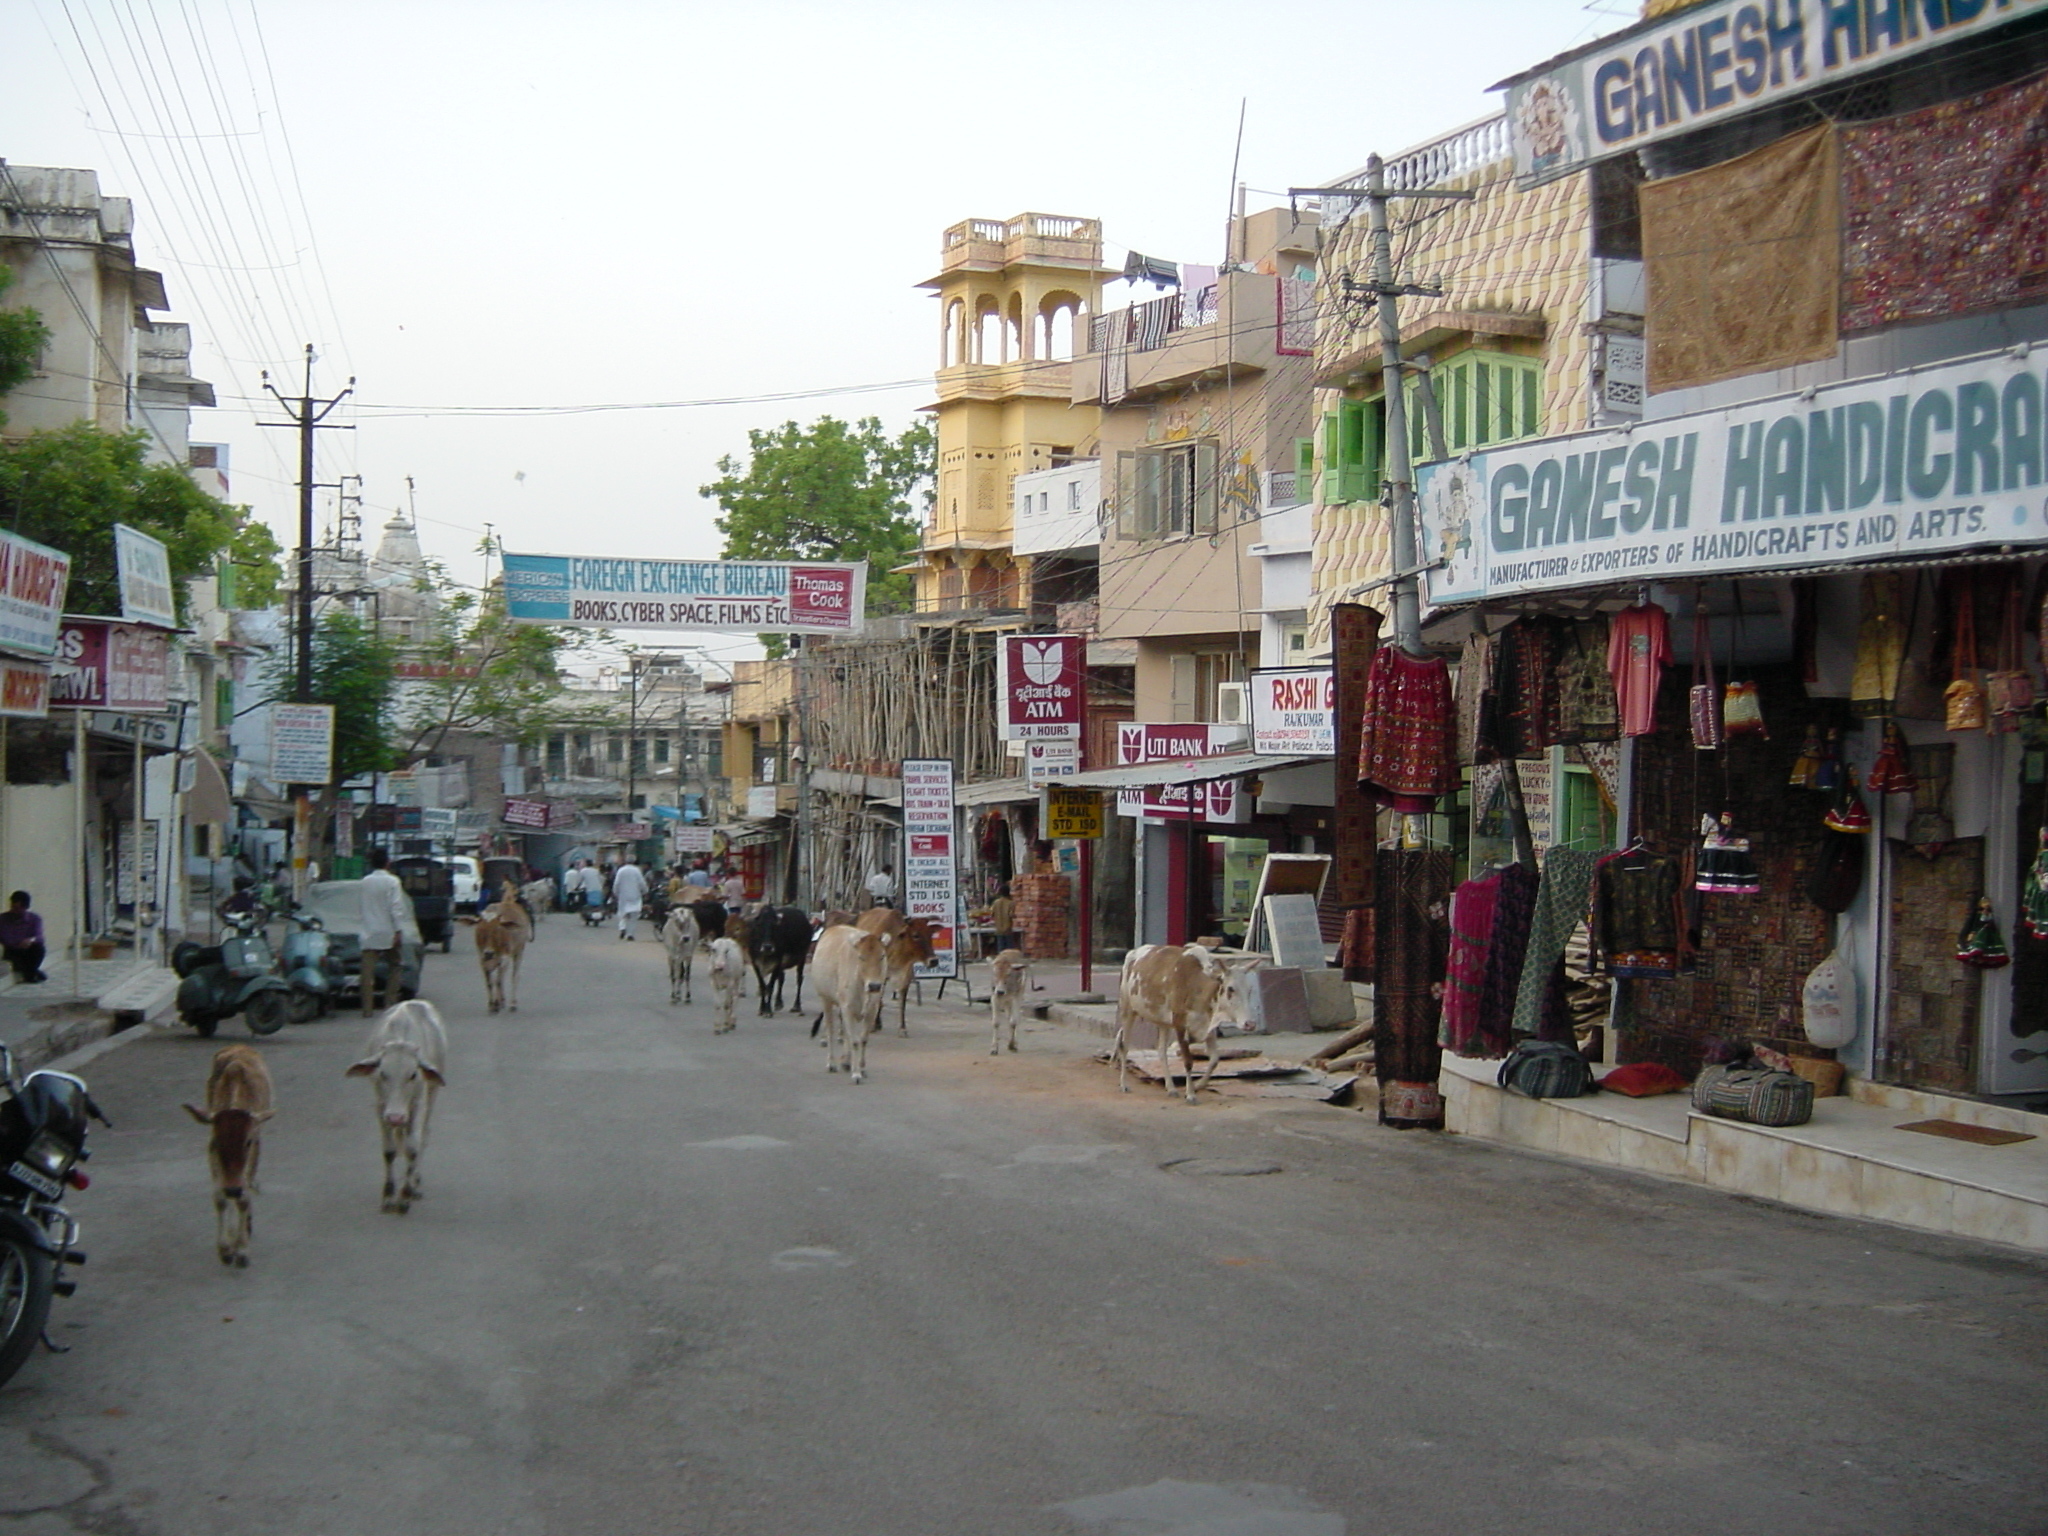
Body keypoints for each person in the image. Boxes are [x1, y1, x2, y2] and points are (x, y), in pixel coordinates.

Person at [358, 848, 420, 1016]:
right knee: (395, 965)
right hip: (388, 932)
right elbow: (396, 908)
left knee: (366, 973)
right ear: (387, 863)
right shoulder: (393, 882)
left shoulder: (365, 882)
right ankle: (389, 1003)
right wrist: (399, 930)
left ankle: (367, 1008)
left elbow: (362, 907)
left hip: (369, 933)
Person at [0, 891, 47, 984]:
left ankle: (31, 972)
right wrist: (17, 943)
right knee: (16, 960)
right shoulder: (3, 919)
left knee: (39, 949)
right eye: (13, 907)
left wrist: (30, 940)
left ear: (26, 907)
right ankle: (32, 973)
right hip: (12, 951)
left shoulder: (34, 919)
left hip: (28, 950)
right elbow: (5, 938)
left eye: (18, 908)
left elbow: (39, 936)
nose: (15, 911)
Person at [610, 854, 648, 941]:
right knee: (633, 916)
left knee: (622, 913)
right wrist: (645, 891)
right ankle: (630, 934)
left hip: (623, 895)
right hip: (635, 895)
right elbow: (641, 882)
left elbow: (616, 883)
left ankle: (622, 928)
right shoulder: (637, 870)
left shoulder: (621, 870)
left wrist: (615, 893)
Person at [989, 883, 1019, 957]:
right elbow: (1011, 914)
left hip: (998, 928)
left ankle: (1001, 960)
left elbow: (991, 914)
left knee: (1000, 948)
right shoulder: (1011, 903)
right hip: (1007, 928)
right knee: (1009, 949)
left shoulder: (995, 902)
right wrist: (1015, 916)